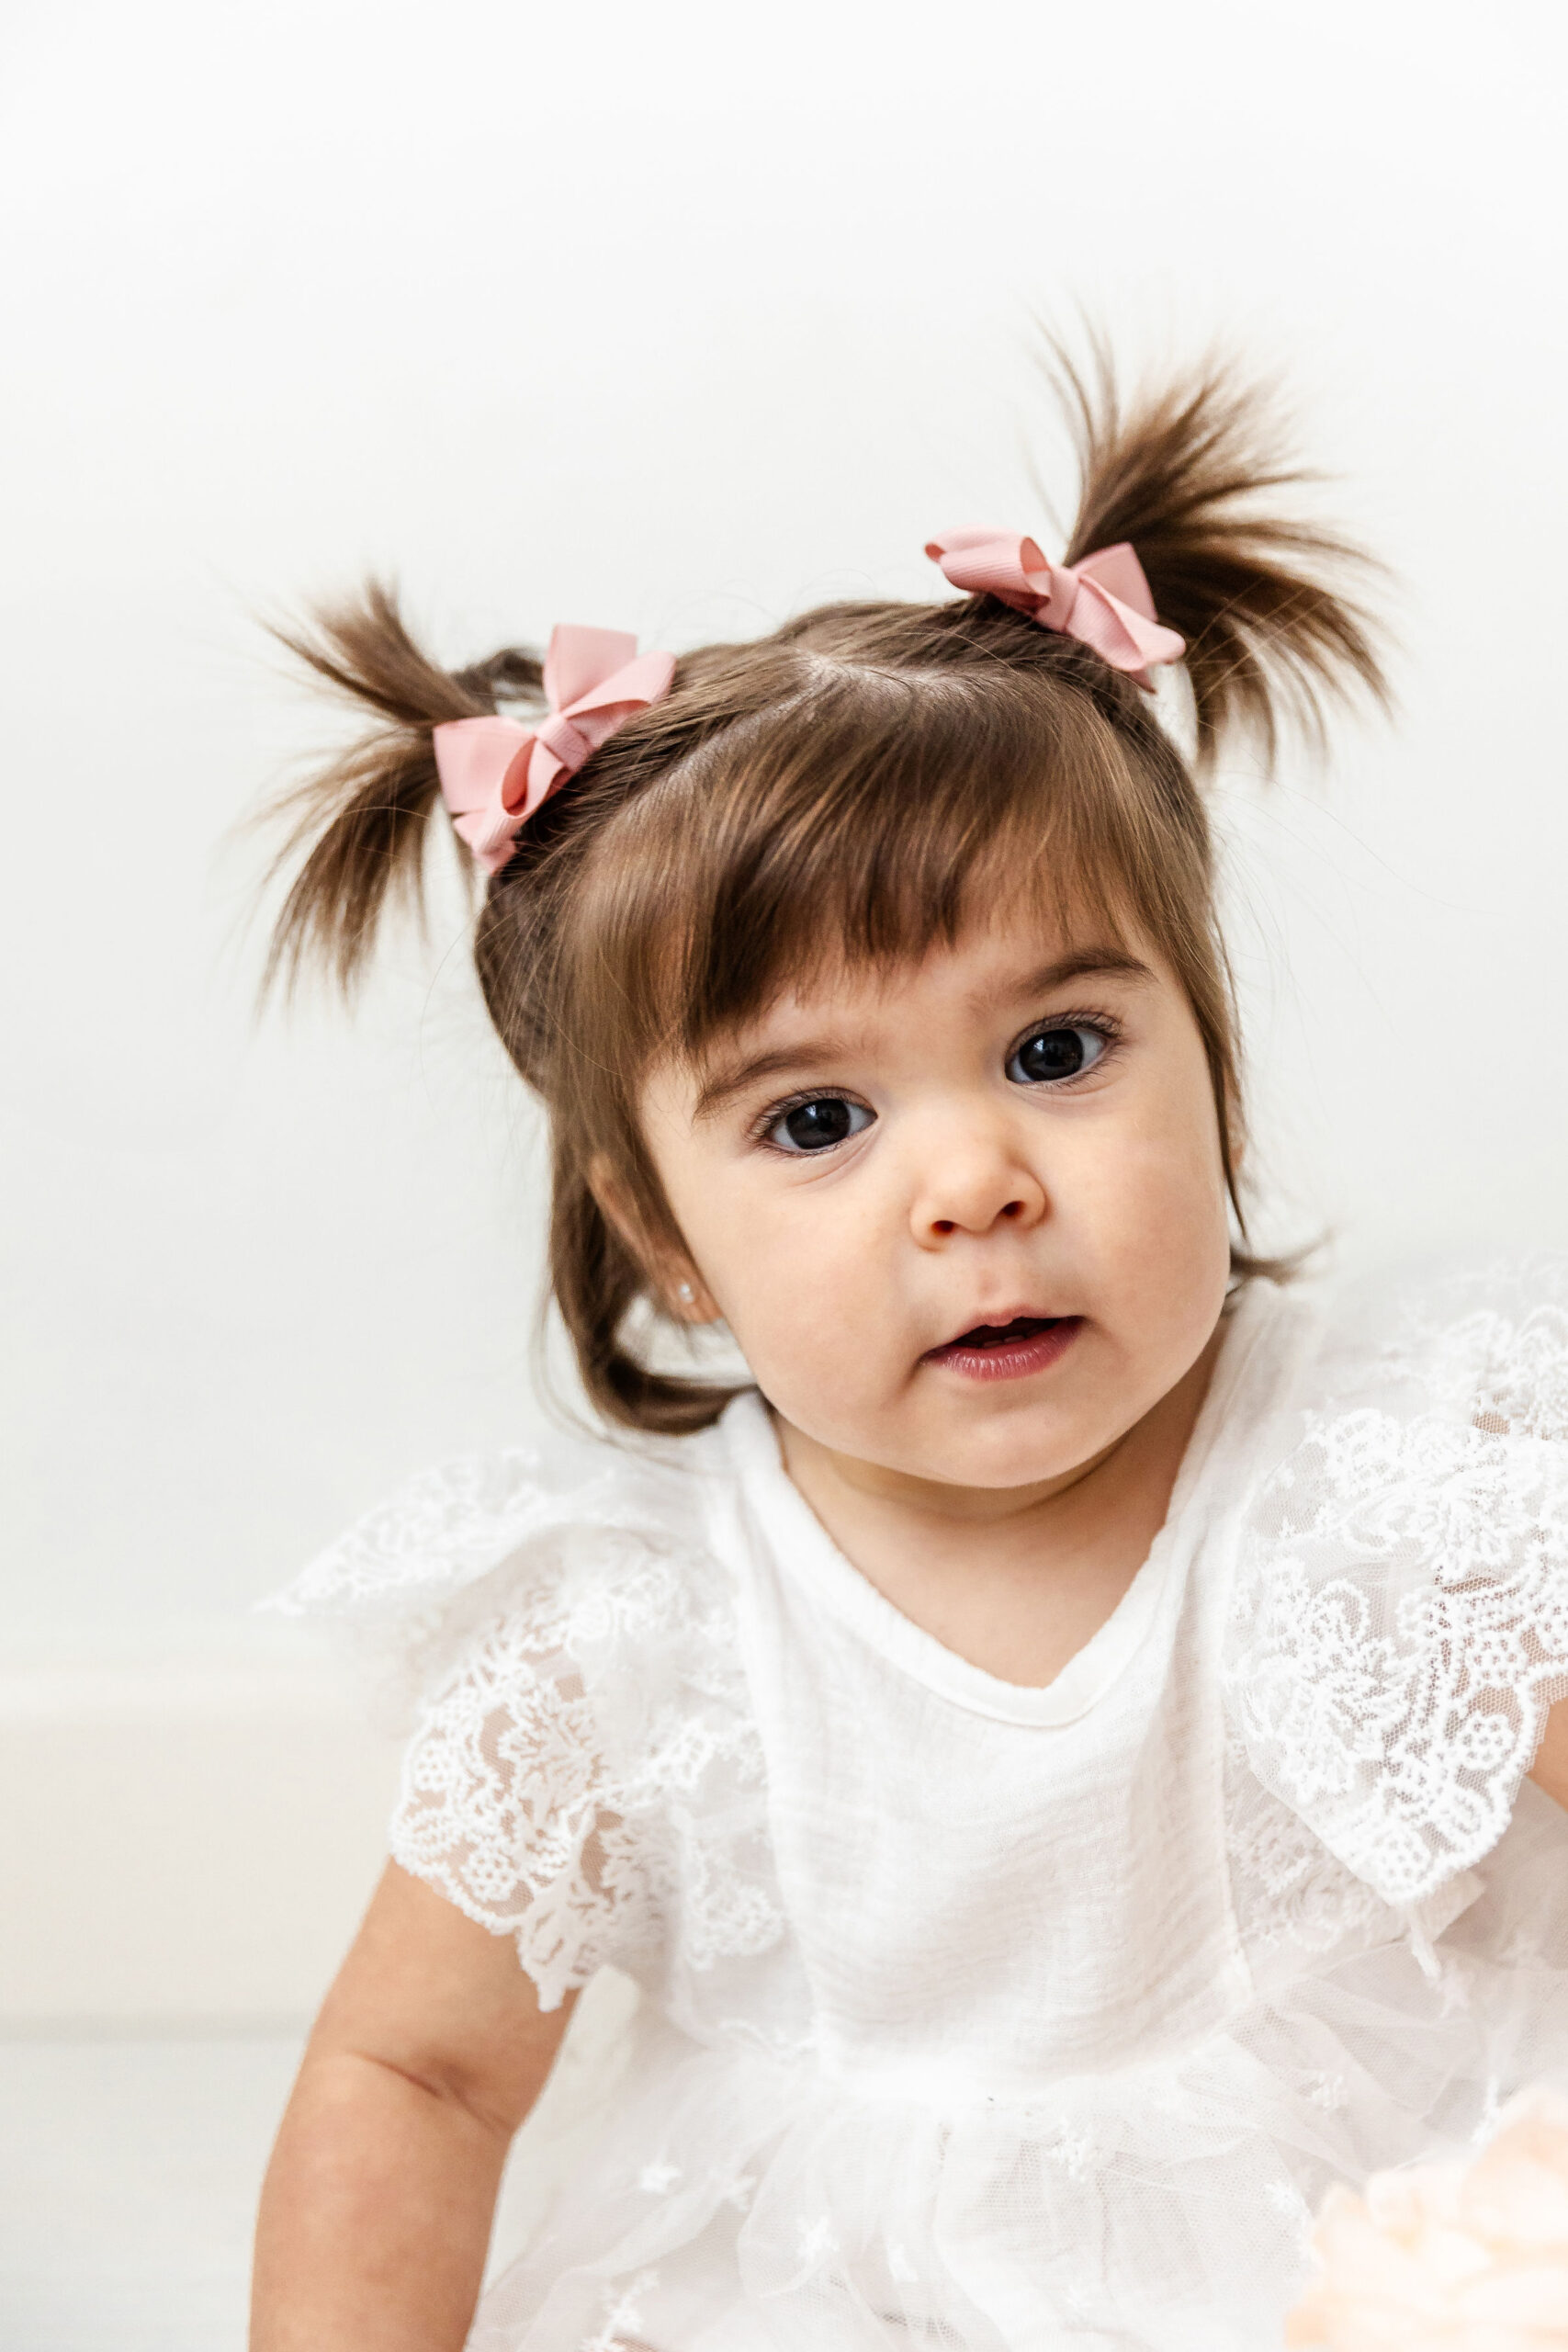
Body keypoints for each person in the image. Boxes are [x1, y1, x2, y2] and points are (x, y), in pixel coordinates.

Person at [248, 349, 1568, 2352]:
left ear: (1212, 1062)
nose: (970, 1178)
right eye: (812, 1120)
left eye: (1056, 1051)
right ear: (659, 1235)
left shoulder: (1390, 1487)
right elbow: (414, 2076)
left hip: (1345, 2269)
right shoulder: (628, 1642)